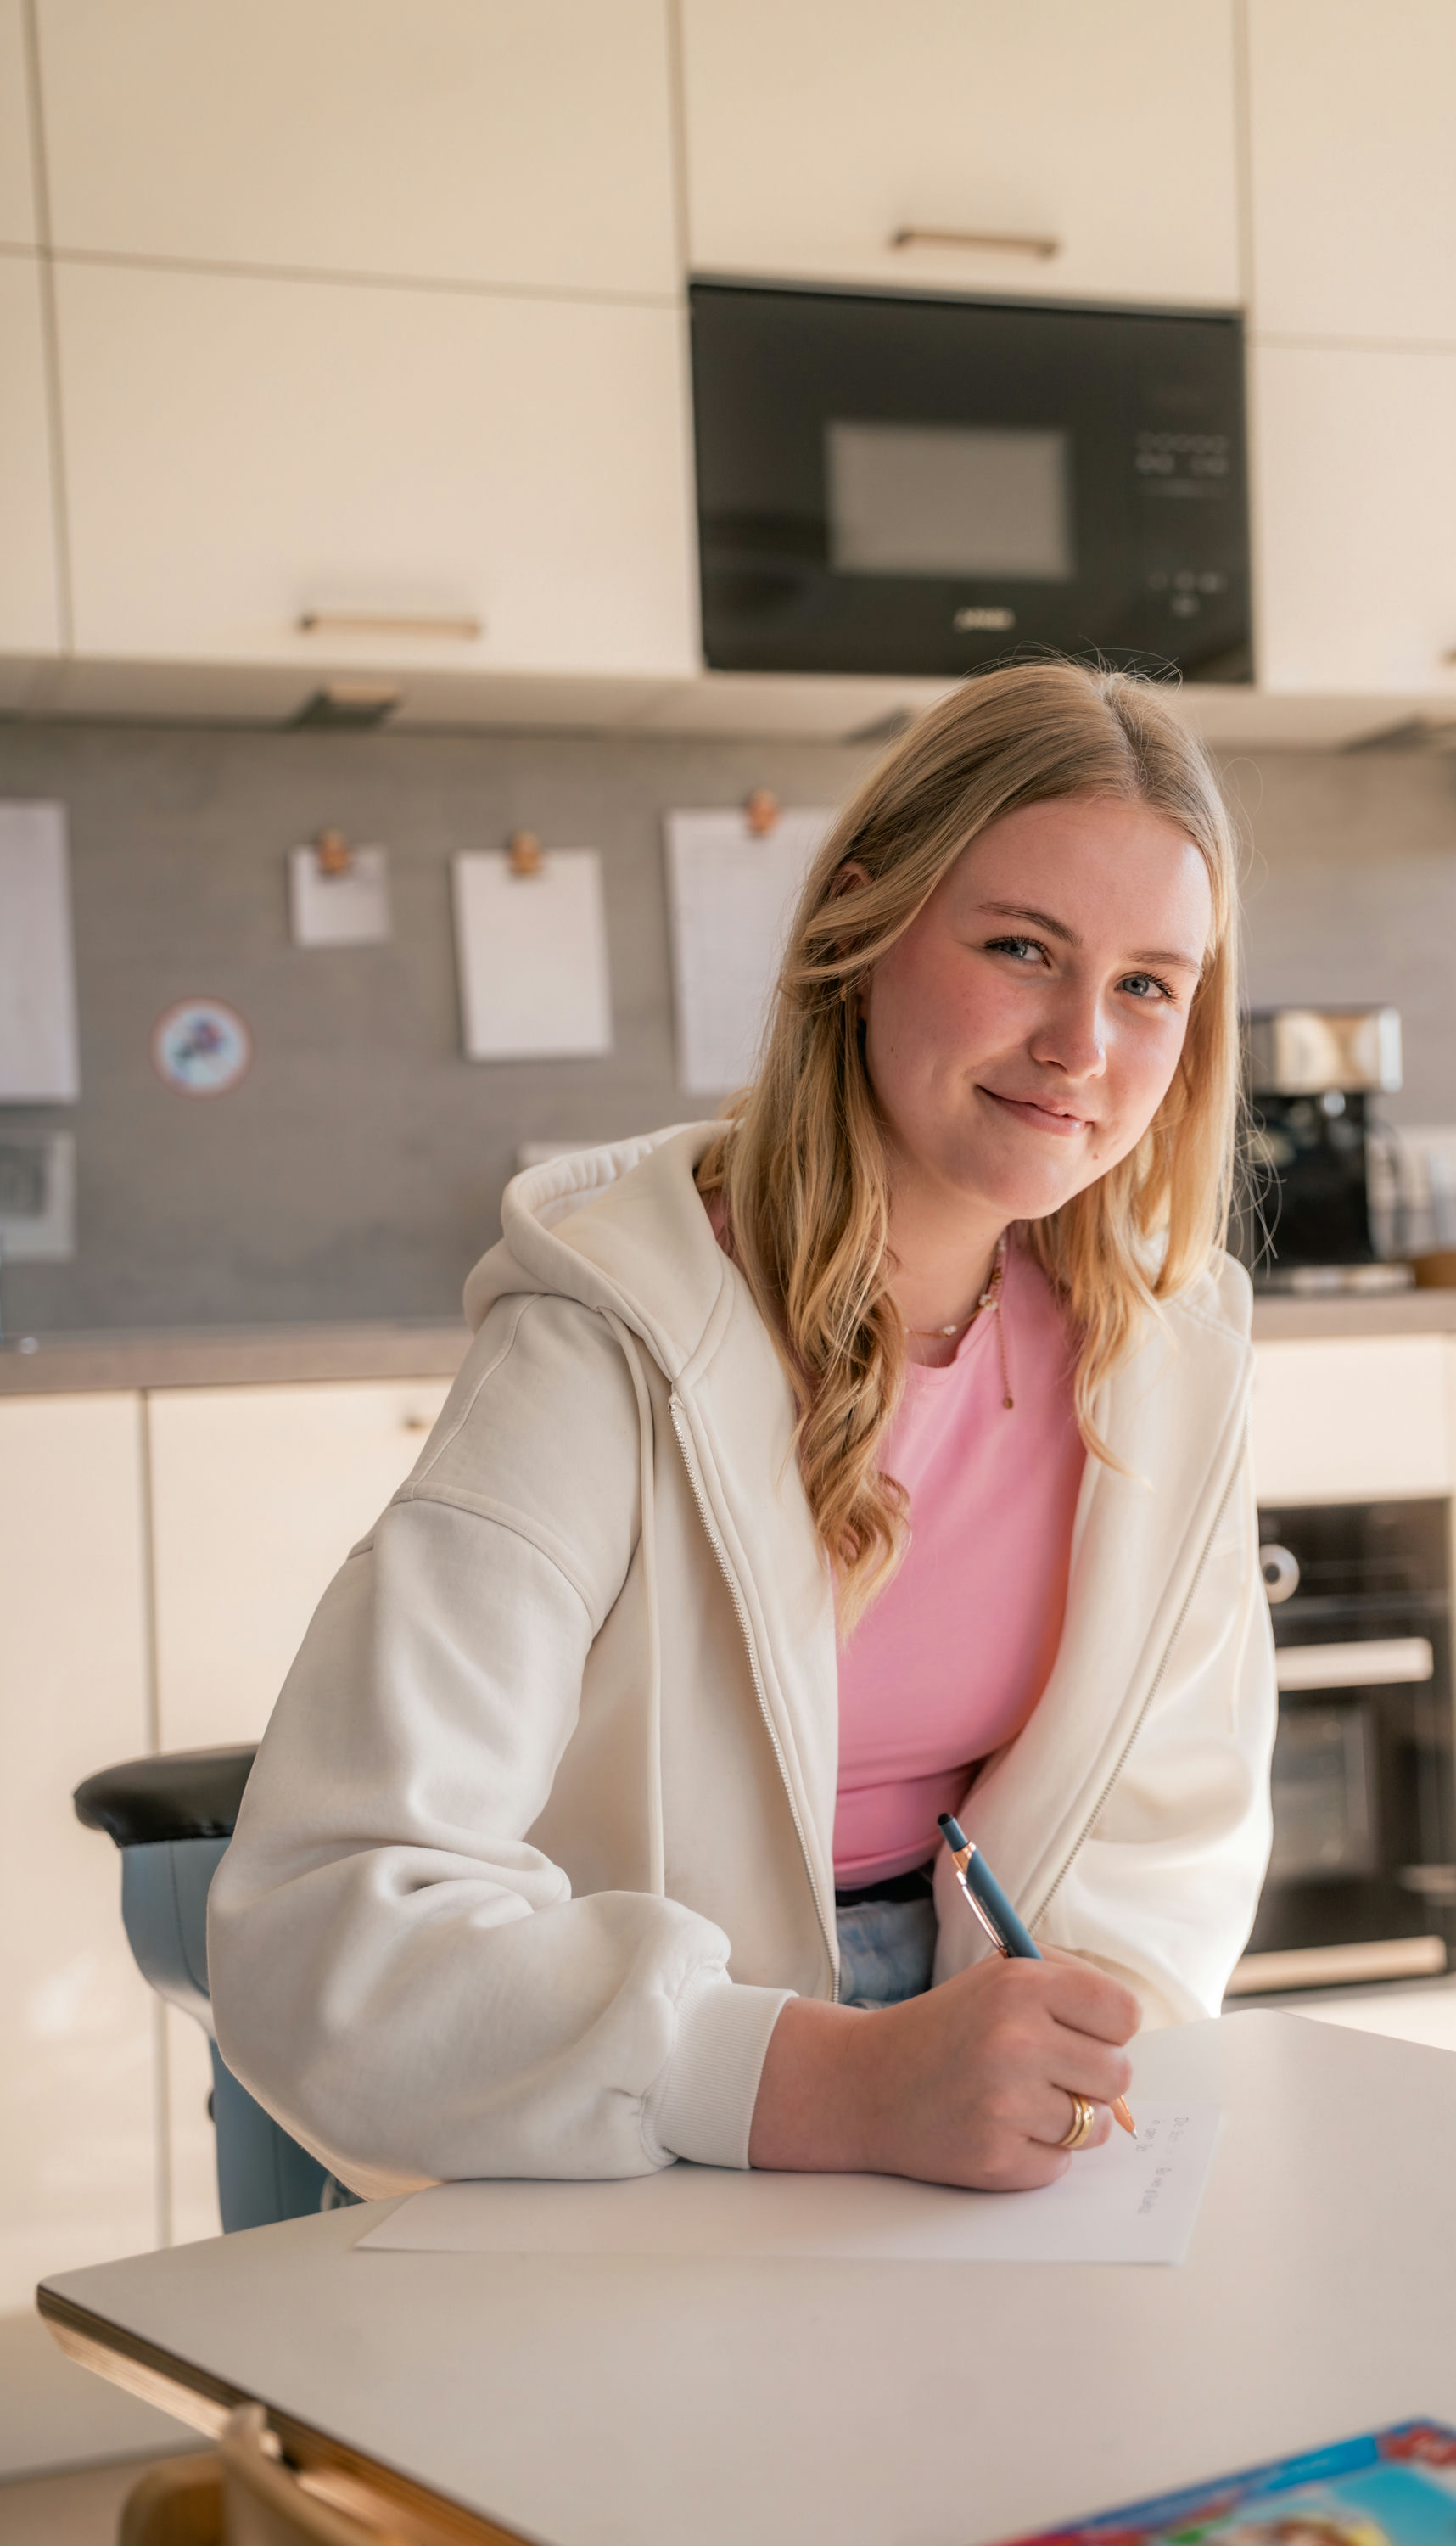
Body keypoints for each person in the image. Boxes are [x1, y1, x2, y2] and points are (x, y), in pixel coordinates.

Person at [208, 661, 1276, 2199]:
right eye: (1021, 949)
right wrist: (819, 2081)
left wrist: (1050, 2066)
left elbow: (1174, 1838)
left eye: (1148, 986)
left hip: (966, 2102)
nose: (1080, 1047)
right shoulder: (608, 1337)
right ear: (862, 924)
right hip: (616, 2101)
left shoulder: (1169, 1354)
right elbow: (326, 1922)